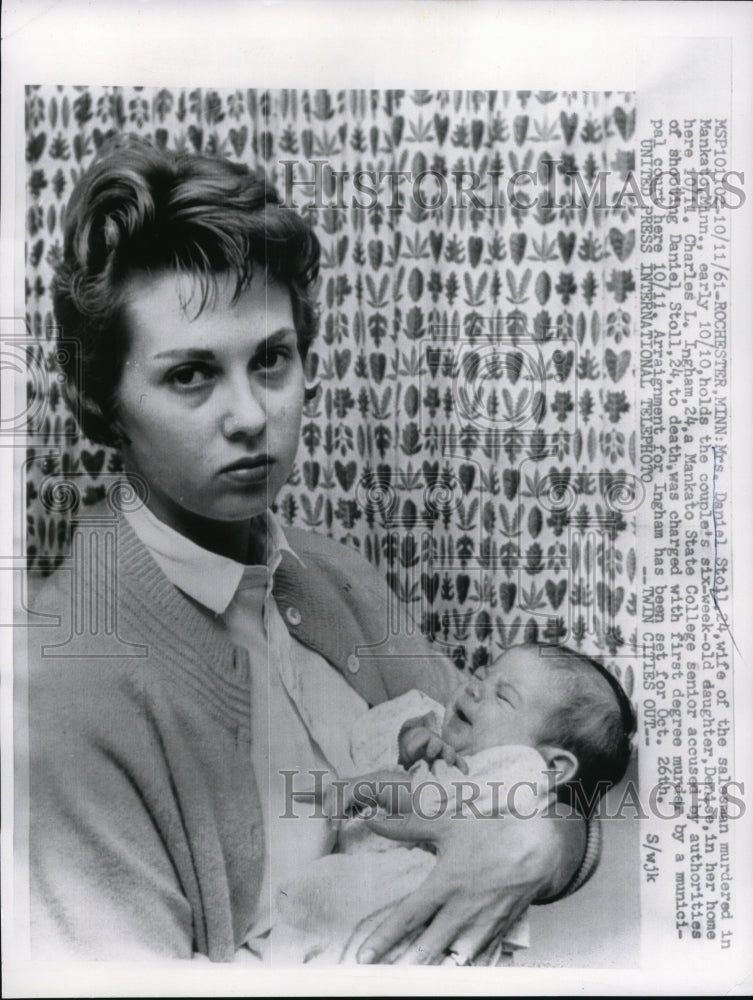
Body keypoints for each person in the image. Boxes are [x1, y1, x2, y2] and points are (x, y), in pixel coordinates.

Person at [24, 134, 593, 964]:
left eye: (272, 360)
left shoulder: (331, 573)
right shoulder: (63, 687)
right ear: (103, 401)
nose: (251, 415)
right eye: (190, 375)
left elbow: (532, 769)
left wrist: (540, 842)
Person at [271, 642, 636, 964]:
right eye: (481, 673)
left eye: (504, 696)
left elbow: (430, 802)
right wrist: (408, 745)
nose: (476, 688)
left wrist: (385, 783)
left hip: (413, 918)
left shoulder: (519, 771)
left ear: (552, 767)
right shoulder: (450, 750)